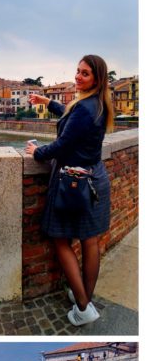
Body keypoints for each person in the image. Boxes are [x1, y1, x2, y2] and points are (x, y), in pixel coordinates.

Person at [26, 55, 114, 326]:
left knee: (60, 239)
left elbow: (63, 145)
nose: (78, 76)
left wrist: (36, 151)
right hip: (94, 178)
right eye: (77, 71)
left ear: (96, 79)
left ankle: (84, 307)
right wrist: (47, 102)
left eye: (85, 73)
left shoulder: (86, 108)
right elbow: (71, 116)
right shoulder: (96, 104)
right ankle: (83, 296)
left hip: (73, 182)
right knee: (90, 241)